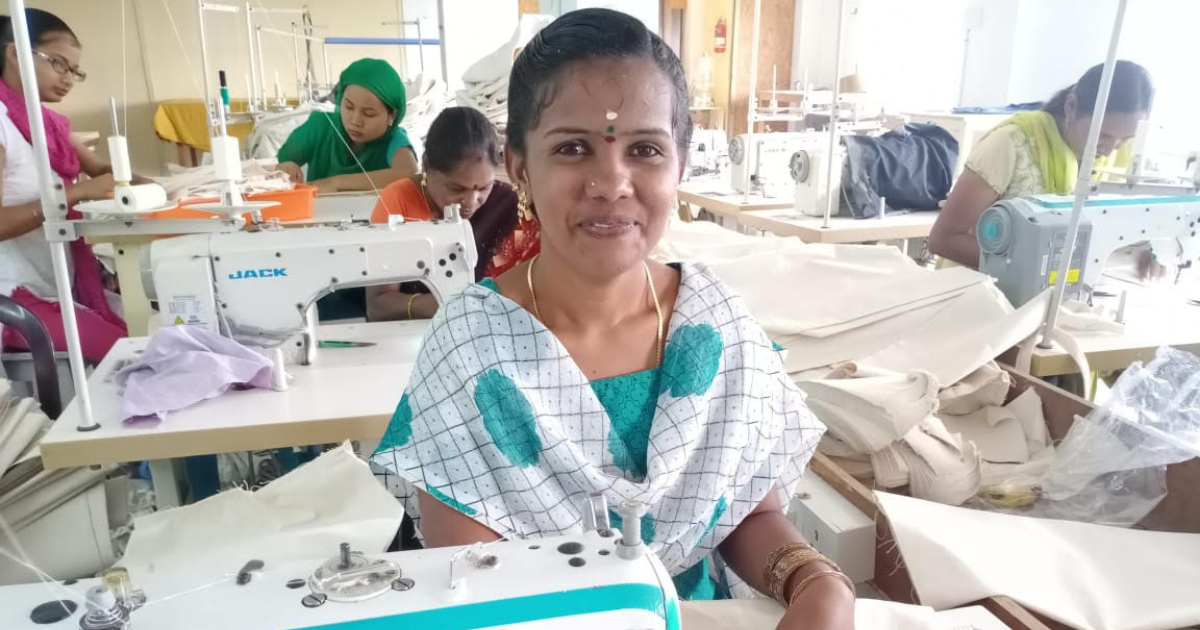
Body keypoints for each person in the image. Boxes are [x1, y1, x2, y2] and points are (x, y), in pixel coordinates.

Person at [372, 10, 853, 629]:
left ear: (679, 163)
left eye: (645, 149)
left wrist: (816, 584)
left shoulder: (713, 328)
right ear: (518, 167)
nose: (611, 183)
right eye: (573, 148)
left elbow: (745, 516)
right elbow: (475, 583)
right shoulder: (470, 353)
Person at [930, 60, 1156, 272]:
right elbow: (944, 239)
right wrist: (1033, 267)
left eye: (1126, 138)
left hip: (1046, 289)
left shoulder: (1117, 156)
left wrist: (1144, 250)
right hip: (977, 292)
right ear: (1071, 107)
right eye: (1102, 135)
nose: (1112, 148)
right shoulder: (1011, 144)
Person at [0, 9, 126, 363]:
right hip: (12, 298)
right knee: (129, 353)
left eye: (74, 70)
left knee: (146, 327)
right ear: (16, 53)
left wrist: (175, 188)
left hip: (55, 285)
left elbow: (103, 168)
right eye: (58, 64)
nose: (68, 78)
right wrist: (75, 193)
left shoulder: (47, 124)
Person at [366, 106, 539, 321]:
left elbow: (533, 284)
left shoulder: (509, 207)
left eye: (483, 187)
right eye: (456, 189)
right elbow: (378, 304)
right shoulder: (399, 201)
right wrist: (436, 304)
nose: (470, 201)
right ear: (427, 166)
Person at [275, 58, 417, 193]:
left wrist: (335, 183)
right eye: (348, 107)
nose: (355, 121)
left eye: (368, 114)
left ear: (392, 115)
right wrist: (286, 167)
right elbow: (271, 167)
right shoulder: (321, 126)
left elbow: (409, 174)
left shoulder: (394, 138)